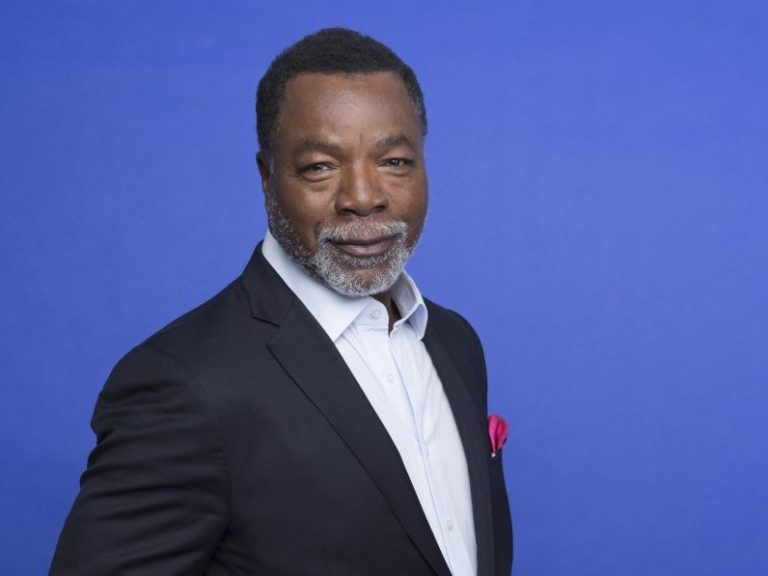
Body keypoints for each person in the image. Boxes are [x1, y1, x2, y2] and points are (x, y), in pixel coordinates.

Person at [50, 28, 512, 576]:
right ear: (267, 177)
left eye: (394, 161)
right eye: (321, 166)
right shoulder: (184, 384)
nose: (363, 197)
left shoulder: (454, 342)